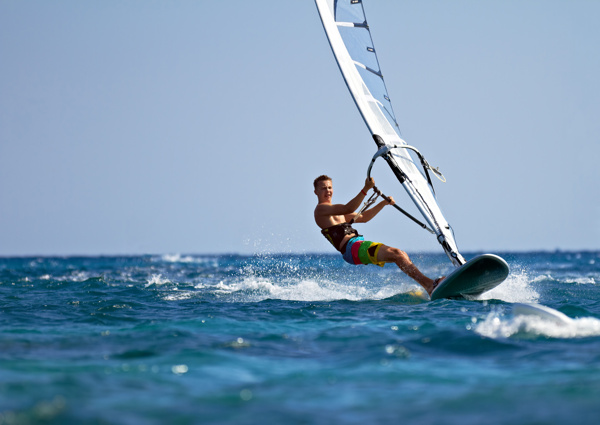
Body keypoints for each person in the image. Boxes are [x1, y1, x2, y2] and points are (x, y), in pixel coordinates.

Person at [313, 174, 442, 295]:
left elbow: (363, 217)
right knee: (397, 254)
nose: (328, 191)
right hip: (352, 249)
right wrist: (366, 189)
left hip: (357, 247)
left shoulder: (337, 213)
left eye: (330, 187)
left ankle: (429, 285)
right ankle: (430, 285)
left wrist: (383, 203)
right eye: (323, 188)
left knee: (401, 255)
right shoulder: (320, 210)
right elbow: (349, 208)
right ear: (316, 192)